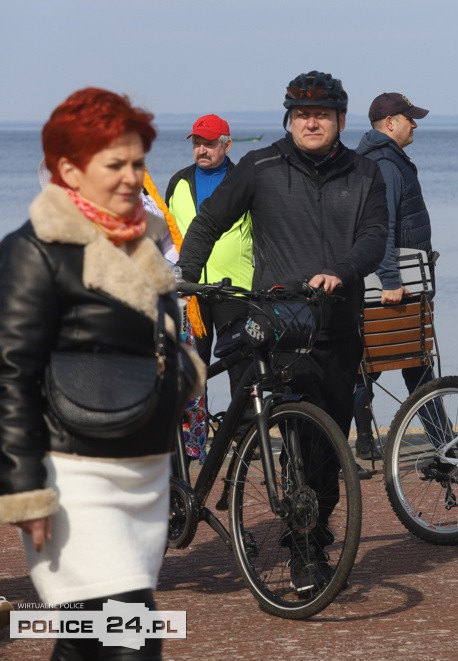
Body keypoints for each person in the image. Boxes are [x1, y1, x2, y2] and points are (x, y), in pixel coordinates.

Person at [0, 87, 203, 659]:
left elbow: (158, 339)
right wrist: (24, 488)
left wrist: (181, 376)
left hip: (143, 474)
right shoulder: (33, 251)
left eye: (137, 162)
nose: (131, 176)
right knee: (132, 637)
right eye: (114, 164)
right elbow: (10, 374)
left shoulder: (139, 243)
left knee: (85, 642)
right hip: (73, 477)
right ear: (69, 169)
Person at [176, 70, 388, 588]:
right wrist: (184, 278)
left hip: (338, 326)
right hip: (280, 325)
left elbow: (375, 235)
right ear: (289, 120)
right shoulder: (259, 165)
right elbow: (207, 223)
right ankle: (304, 553)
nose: (310, 122)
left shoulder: (365, 173)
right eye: (300, 114)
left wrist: (343, 272)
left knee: (329, 447)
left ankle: (315, 534)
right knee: (295, 443)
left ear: (340, 120)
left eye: (321, 114)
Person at [352, 92, 433, 460]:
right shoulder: (385, 163)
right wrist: (390, 280)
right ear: (389, 123)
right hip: (397, 280)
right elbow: (380, 227)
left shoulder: (379, 158)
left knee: (387, 363)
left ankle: (363, 438)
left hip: (398, 277)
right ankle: (445, 438)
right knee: (405, 360)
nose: (414, 124)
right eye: (408, 118)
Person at [166, 114, 253, 397]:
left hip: (235, 292)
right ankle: (197, 438)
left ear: (227, 146)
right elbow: (166, 236)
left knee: (241, 371)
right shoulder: (178, 182)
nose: (202, 149)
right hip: (191, 293)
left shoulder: (244, 182)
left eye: (210, 144)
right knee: (192, 371)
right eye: (198, 143)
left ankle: (245, 436)